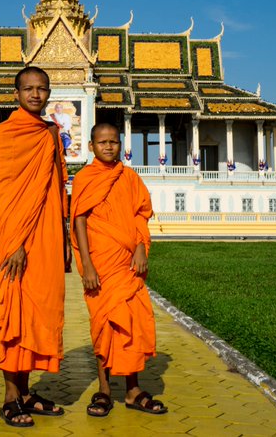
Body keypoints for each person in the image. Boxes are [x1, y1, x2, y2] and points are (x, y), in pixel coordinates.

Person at [0, 65, 68, 427]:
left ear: (49, 93)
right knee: (14, 314)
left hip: (46, 234)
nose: (36, 94)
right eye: (29, 89)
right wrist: (16, 242)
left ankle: (26, 391)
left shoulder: (51, 134)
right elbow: (8, 192)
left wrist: (63, 237)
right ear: (16, 94)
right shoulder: (5, 134)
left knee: (40, 312)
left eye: (42, 89)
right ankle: (9, 396)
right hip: (14, 235)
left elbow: (54, 187)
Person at [71, 122, 168, 417]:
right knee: (104, 326)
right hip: (100, 263)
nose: (109, 146)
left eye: (114, 141)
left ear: (121, 144)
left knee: (132, 325)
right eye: (102, 142)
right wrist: (86, 264)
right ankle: (104, 389)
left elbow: (141, 215)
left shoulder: (129, 178)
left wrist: (140, 247)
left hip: (127, 262)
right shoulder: (85, 178)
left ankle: (133, 389)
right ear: (91, 147)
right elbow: (79, 222)